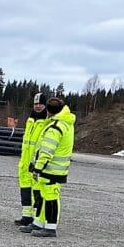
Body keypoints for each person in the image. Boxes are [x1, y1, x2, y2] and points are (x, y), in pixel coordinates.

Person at [19, 96, 76, 238]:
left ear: (49, 110)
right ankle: (38, 222)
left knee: (50, 198)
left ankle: (50, 227)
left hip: (51, 169)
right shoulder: (63, 123)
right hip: (56, 168)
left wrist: (37, 168)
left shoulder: (55, 128)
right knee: (44, 197)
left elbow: (46, 151)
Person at [15, 92, 50, 227]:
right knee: (25, 188)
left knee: (37, 191)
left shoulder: (47, 121)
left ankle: (37, 218)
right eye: (35, 104)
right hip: (25, 161)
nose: (38, 106)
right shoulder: (30, 120)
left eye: (40, 103)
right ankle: (27, 215)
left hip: (36, 162)